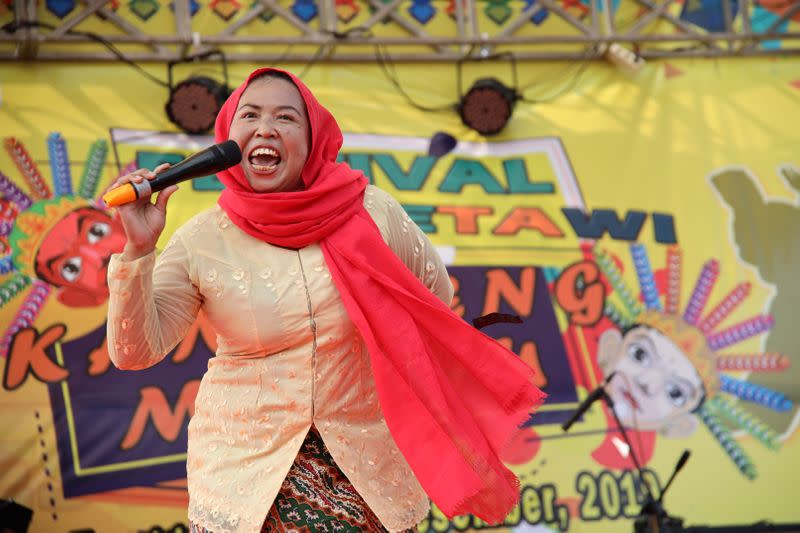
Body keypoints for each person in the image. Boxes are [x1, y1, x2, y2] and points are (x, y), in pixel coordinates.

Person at [105, 68, 546, 533]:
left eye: (286, 118)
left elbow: (433, 297)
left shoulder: (371, 211)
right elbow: (135, 351)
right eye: (249, 115)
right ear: (227, 138)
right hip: (245, 470)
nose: (265, 128)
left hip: (365, 462)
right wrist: (138, 250)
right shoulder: (202, 239)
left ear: (313, 139)